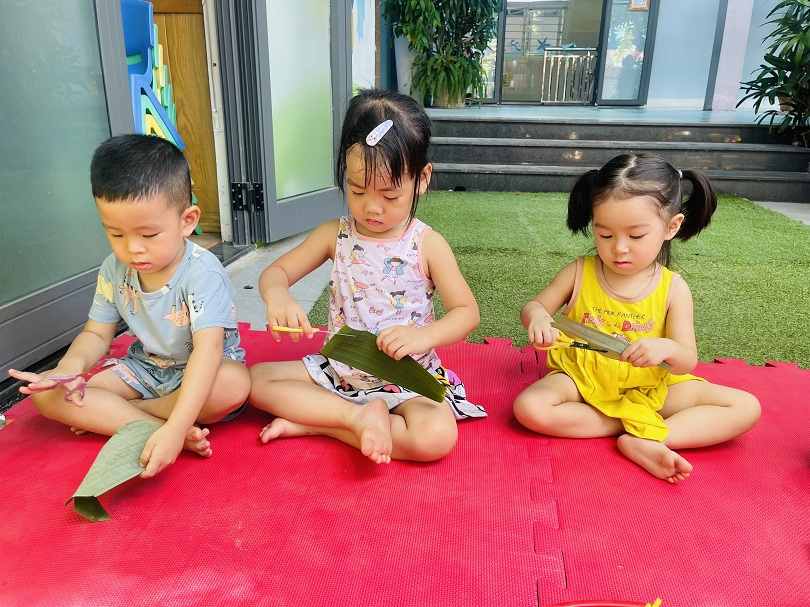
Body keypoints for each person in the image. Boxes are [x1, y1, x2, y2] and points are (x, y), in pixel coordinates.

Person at [248, 88, 484, 464]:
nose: (372, 208)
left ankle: (320, 423)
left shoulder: (427, 244)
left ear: (422, 179)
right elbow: (276, 272)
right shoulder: (334, 234)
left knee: (436, 438)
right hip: (340, 372)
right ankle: (356, 418)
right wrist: (278, 296)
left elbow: (466, 313)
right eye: (358, 191)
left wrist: (422, 337)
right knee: (254, 382)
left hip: (408, 377)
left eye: (390, 196)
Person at [8, 134, 251, 477]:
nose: (132, 249)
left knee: (234, 384)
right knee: (49, 395)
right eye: (116, 234)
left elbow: (207, 352)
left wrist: (178, 425)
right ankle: (154, 428)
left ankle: (144, 417)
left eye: (148, 235)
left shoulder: (203, 272)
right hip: (144, 370)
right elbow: (96, 334)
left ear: (187, 221)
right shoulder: (114, 268)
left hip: (205, 373)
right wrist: (69, 367)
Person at [513, 153, 761, 484]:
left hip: (651, 386)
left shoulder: (674, 288)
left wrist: (665, 348)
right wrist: (539, 319)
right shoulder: (579, 271)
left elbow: (687, 360)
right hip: (582, 379)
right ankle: (638, 426)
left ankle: (650, 438)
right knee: (530, 407)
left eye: (636, 236)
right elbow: (534, 306)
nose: (619, 248)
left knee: (746, 407)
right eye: (605, 235)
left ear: (671, 226)